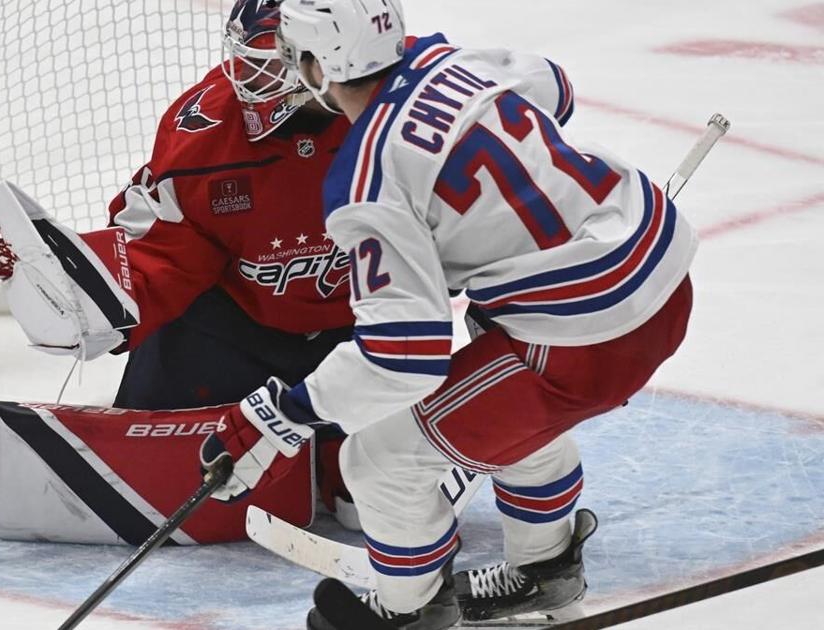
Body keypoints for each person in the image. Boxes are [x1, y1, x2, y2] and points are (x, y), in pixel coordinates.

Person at [196, 0, 697, 628]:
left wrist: (281, 417)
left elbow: (403, 356)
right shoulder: (452, 57)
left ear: (321, 66)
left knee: (378, 459)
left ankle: (408, 611)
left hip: (586, 338)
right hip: (659, 271)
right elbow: (556, 89)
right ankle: (544, 571)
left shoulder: (368, 179)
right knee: (494, 356)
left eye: (296, 55)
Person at [0, 0, 361, 548]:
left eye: (272, 65)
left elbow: (453, 248)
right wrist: (74, 295)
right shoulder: (208, 136)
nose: (249, 82)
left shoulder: (405, 121)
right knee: (162, 465)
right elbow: (161, 254)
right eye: (248, 61)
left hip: (372, 331)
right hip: (232, 328)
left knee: (369, 499)